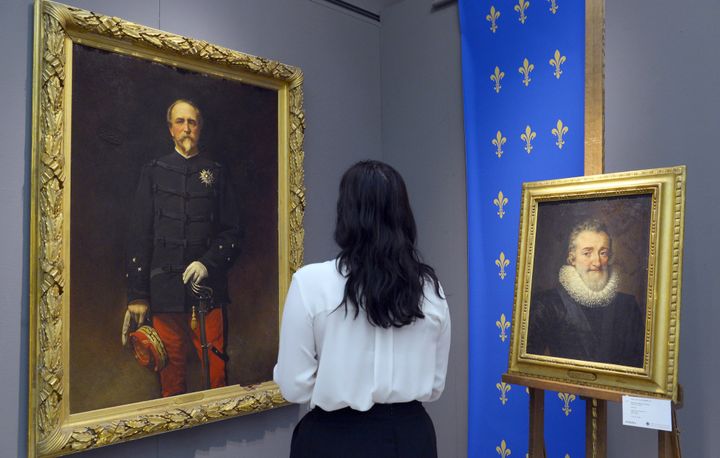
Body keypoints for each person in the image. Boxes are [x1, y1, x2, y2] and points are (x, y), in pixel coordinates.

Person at [274, 160, 451, 458]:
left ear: (346, 213)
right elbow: (435, 385)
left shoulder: (309, 283)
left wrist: (337, 379)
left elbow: (294, 387)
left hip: (334, 439)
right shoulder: (430, 289)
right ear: (403, 214)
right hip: (411, 438)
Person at [123, 99, 241, 397]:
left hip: (208, 293)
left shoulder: (217, 172)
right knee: (170, 381)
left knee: (216, 379)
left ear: (199, 127)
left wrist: (208, 263)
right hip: (164, 293)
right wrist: (138, 294)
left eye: (192, 122)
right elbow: (139, 234)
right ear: (170, 129)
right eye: (180, 121)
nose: (186, 128)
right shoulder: (153, 171)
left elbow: (234, 232)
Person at [527, 219, 645, 367]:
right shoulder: (546, 304)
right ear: (572, 258)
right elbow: (529, 366)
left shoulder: (628, 305)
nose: (597, 262)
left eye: (603, 253)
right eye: (587, 253)